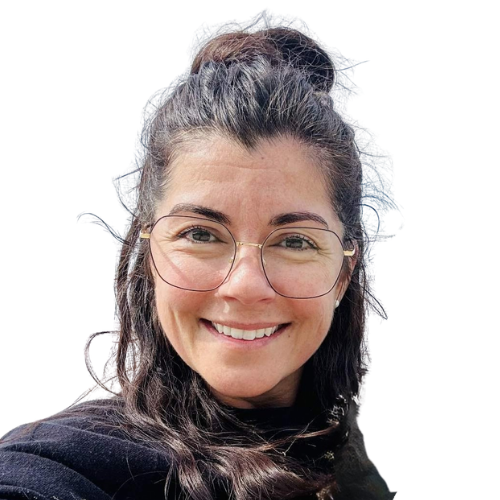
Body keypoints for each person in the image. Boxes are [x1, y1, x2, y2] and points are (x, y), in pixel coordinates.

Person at [0, 21, 396, 500]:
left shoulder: (357, 461)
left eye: (294, 241)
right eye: (201, 234)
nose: (244, 285)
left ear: (343, 273)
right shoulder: (66, 466)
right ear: (150, 253)